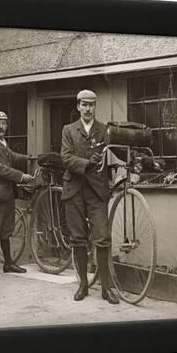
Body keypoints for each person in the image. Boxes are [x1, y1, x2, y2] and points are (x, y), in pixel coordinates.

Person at [60, 89, 120, 304]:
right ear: (78, 106)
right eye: (83, 105)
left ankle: (106, 288)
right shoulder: (68, 130)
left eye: (91, 105)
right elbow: (65, 158)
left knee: (103, 238)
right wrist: (87, 163)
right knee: (78, 238)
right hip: (74, 190)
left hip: (97, 191)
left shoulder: (104, 131)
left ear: (95, 107)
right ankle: (83, 285)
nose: (87, 109)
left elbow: (114, 155)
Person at [0, 111, 34, 276]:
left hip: (7, 194)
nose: (1, 127)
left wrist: (31, 158)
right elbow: (1, 169)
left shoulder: (3, 143)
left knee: (6, 230)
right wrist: (22, 176)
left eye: (4, 123)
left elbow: (13, 156)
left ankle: (8, 264)